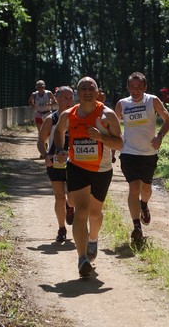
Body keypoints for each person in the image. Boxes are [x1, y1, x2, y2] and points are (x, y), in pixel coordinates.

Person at [54, 76, 123, 277]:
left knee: (95, 213)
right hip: (77, 167)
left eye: (90, 87)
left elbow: (119, 144)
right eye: (83, 88)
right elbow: (59, 131)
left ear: (97, 91)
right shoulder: (68, 115)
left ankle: (93, 238)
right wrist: (60, 148)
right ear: (77, 92)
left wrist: (101, 137)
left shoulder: (107, 115)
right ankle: (82, 258)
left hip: (101, 170)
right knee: (81, 211)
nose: (87, 91)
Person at [114, 72, 169, 243]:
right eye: (132, 87)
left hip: (149, 153)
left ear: (145, 88)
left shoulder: (152, 100)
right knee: (133, 188)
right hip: (128, 152)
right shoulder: (122, 104)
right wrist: (113, 144)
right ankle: (136, 226)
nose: (135, 90)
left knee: (145, 189)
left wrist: (160, 136)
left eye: (139, 87)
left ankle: (144, 204)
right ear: (127, 88)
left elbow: (168, 120)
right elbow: (113, 124)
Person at [37, 86, 75, 243]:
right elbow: (41, 141)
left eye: (70, 98)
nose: (68, 101)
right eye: (65, 98)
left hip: (74, 163)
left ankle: (70, 207)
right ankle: (61, 228)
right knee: (59, 197)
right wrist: (46, 155)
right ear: (57, 99)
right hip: (55, 162)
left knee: (71, 197)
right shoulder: (50, 119)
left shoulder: (77, 118)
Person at [29, 80, 58, 153]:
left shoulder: (48, 93)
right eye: (38, 87)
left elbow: (55, 101)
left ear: (44, 87)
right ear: (36, 87)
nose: (40, 88)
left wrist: (50, 104)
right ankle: (44, 148)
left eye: (41, 86)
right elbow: (30, 101)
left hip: (47, 114)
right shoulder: (34, 94)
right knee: (40, 131)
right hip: (38, 114)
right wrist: (33, 105)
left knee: (48, 131)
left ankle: (47, 144)